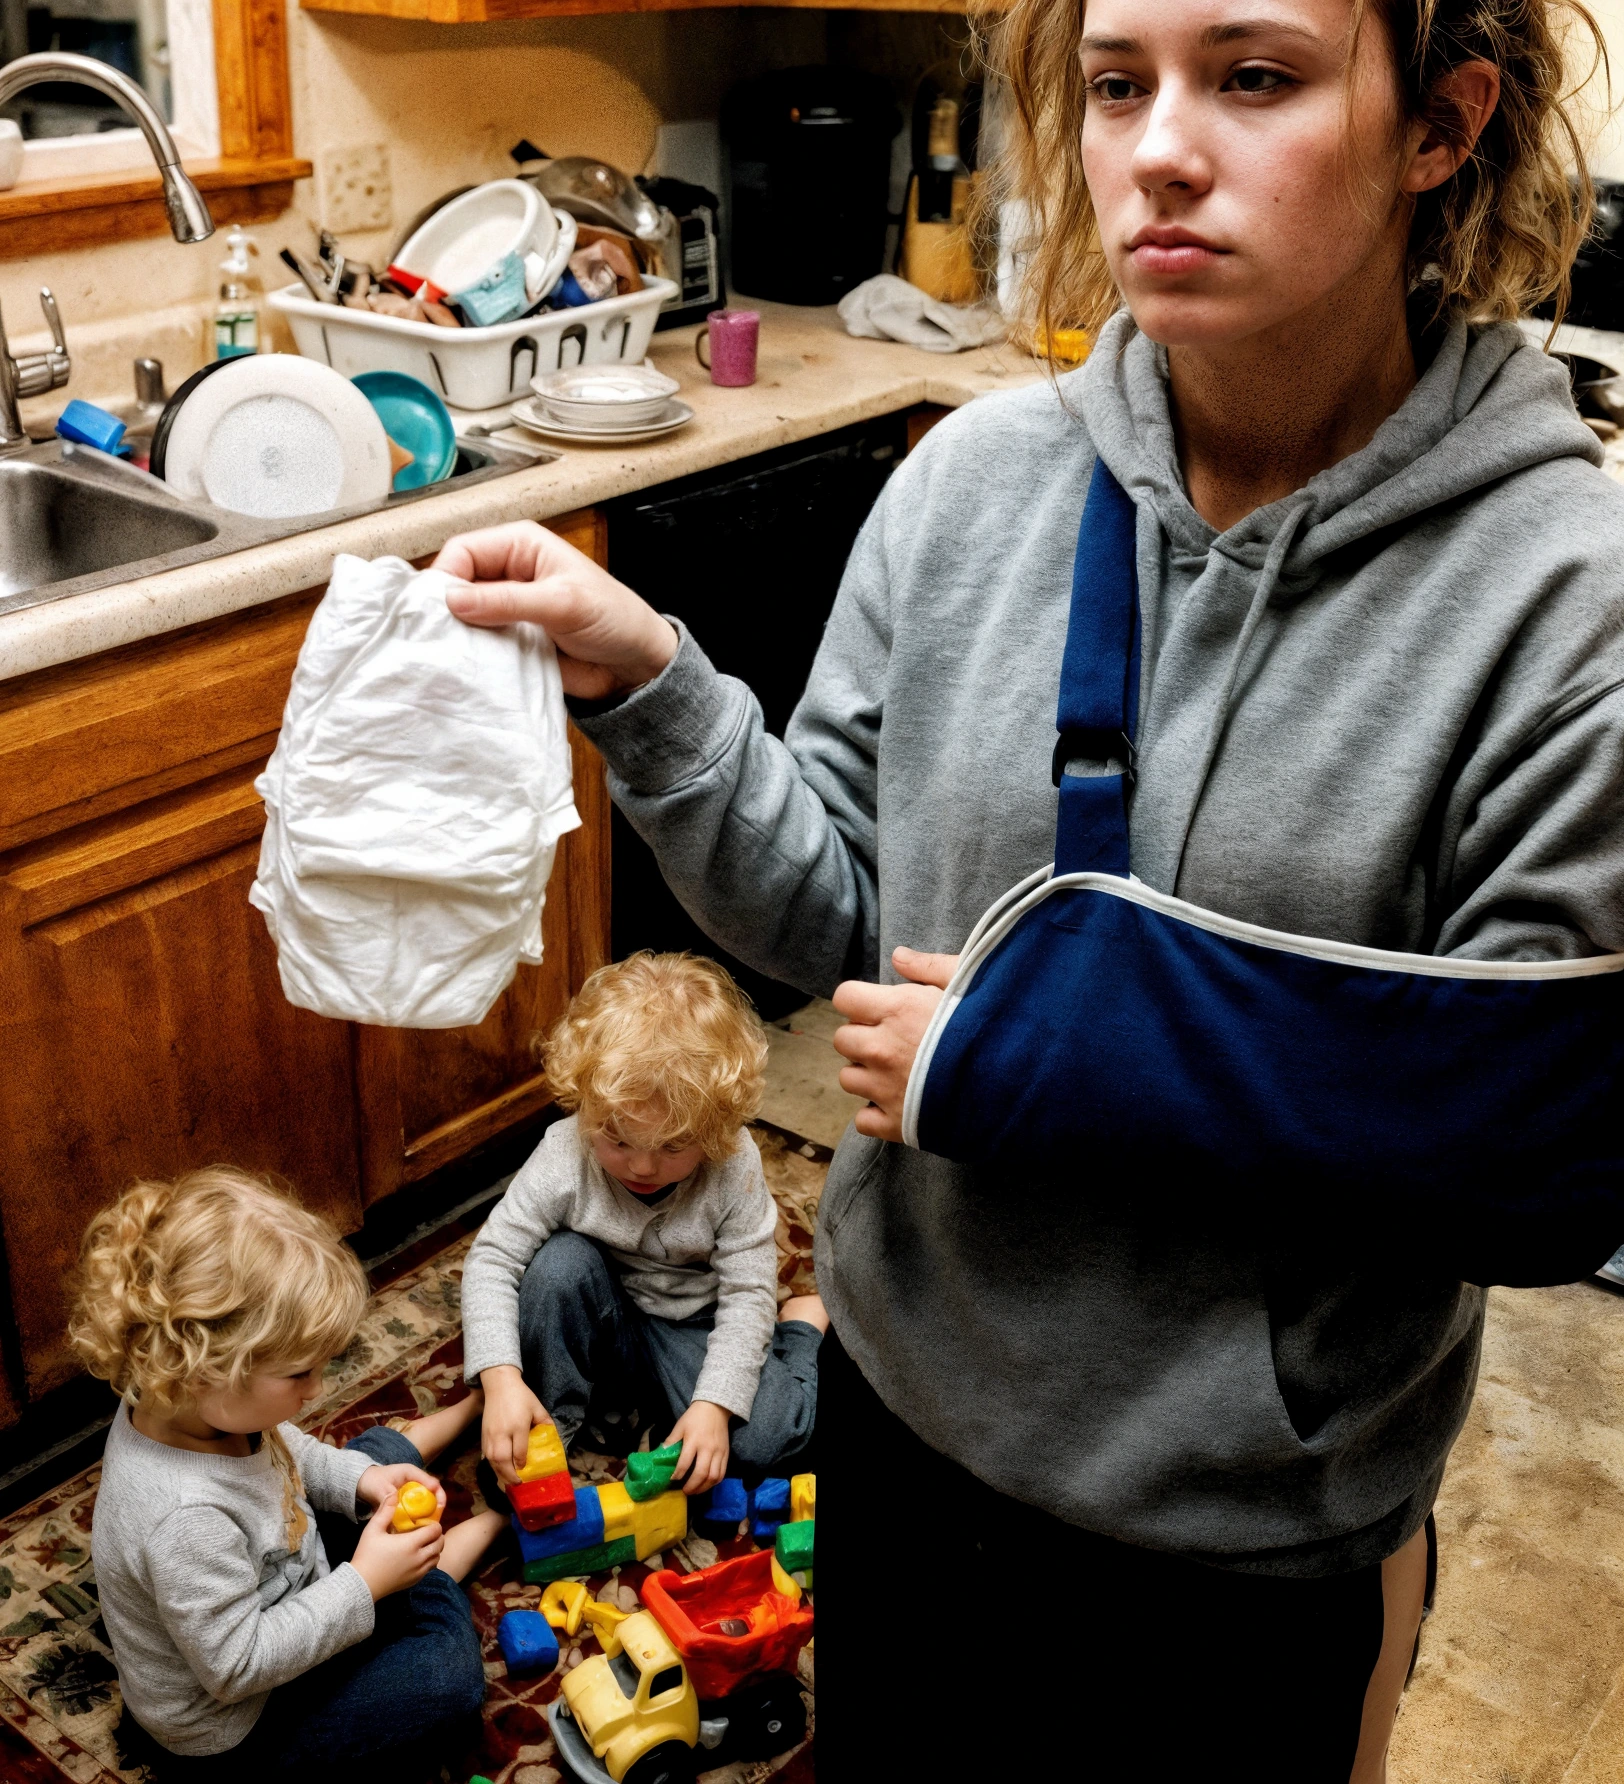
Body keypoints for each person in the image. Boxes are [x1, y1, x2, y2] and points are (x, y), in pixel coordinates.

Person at [430, 0, 1624, 1770]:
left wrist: (1042, 1062)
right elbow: (841, 926)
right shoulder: (969, 489)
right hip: (901, 1415)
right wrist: (656, 686)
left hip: (1232, 1529)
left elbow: (1530, 1164)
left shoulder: (1565, 603)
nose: (1159, 150)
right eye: (1117, 85)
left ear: (1439, 126)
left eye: (1254, 76)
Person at [71, 1168, 504, 1778]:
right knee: (443, 1680)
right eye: (300, 1373)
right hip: (245, 1723)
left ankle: (467, 1412)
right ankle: (484, 1533)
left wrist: (362, 1482)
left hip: (287, 1578)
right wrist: (366, 1583)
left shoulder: (197, 1406)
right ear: (205, 1368)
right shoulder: (184, 1520)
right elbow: (237, 1667)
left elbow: (287, 1454)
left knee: (373, 1462)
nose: (317, 1389)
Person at [463, 951, 826, 1495]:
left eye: (673, 1146)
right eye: (617, 1139)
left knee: (768, 1444)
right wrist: (501, 1380)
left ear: (718, 1126)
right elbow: (492, 1259)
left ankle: (801, 1329)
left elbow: (748, 1294)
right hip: (603, 1313)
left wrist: (713, 1406)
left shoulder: (734, 1163)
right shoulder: (563, 1152)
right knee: (556, 1266)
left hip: (694, 1320)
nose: (642, 1167)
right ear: (585, 1104)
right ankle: (547, 1434)